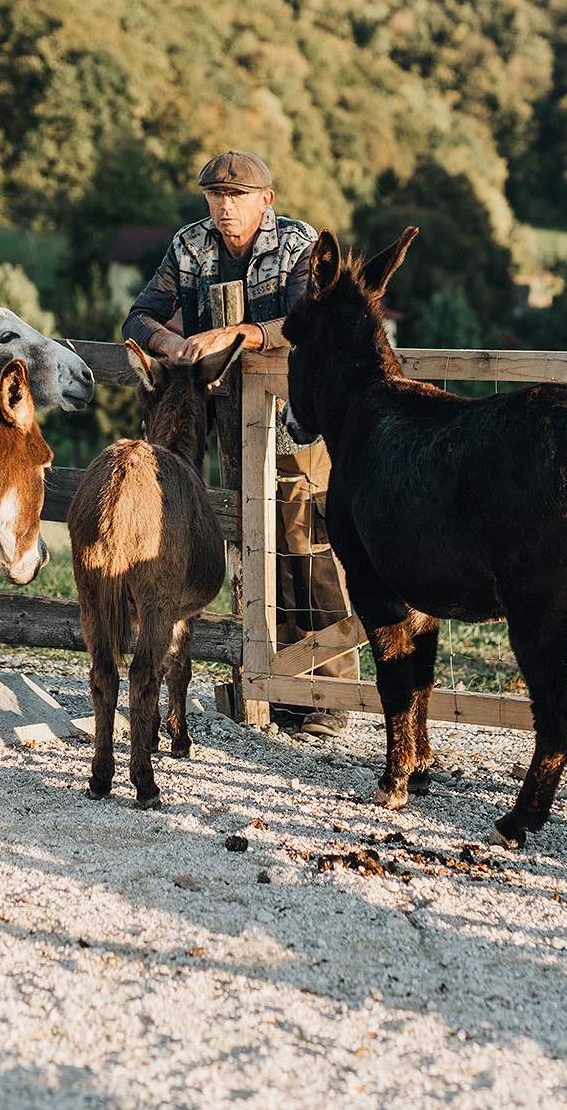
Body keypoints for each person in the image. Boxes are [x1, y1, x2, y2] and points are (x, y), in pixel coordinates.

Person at [122, 150, 357, 736]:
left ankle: (325, 699)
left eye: (237, 197)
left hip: (293, 419)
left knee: (305, 548)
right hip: (228, 427)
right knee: (249, 548)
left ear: (265, 200)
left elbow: (310, 319)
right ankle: (264, 689)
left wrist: (243, 332)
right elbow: (139, 316)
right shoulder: (190, 245)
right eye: (215, 197)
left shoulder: (298, 245)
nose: (224, 208)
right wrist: (167, 345)